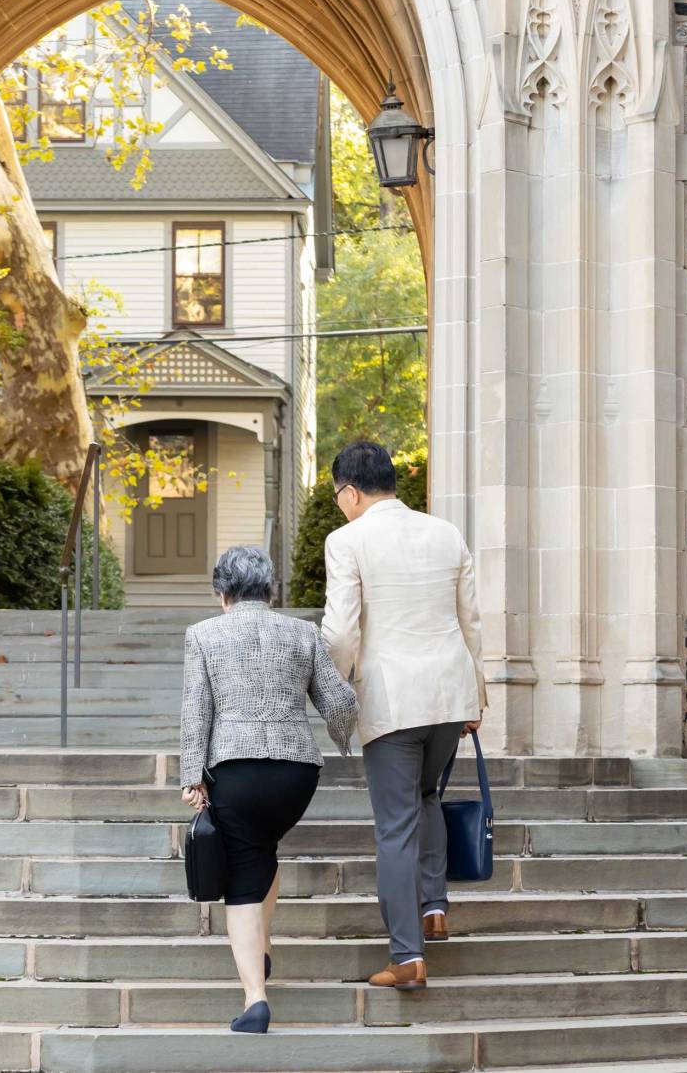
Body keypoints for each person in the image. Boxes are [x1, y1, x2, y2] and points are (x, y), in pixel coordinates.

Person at [319, 440, 484, 991]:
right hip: (450, 694)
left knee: (394, 827)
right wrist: (476, 694)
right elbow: (471, 621)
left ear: (349, 491)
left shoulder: (346, 540)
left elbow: (341, 632)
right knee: (427, 797)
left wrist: (337, 684)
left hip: (392, 699)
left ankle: (407, 955)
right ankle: (434, 907)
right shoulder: (446, 533)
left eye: (337, 495)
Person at [179, 544, 357, 1034]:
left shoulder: (203, 635)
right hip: (295, 773)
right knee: (261, 851)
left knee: (241, 878)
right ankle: (263, 947)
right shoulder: (302, 632)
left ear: (222, 593)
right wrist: (344, 736)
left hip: (236, 769)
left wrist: (191, 776)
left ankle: (255, 999)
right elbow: (338, 700)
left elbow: (197, 711)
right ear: (269, 589)